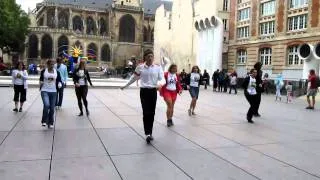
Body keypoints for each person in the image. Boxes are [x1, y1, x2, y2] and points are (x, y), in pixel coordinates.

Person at [121, 49, 165, 144]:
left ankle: (150, 132)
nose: (150, 58)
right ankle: (147, 133)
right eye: (148, 56)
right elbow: (134, 78)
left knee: (152, 112)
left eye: (151, 56)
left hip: (153, 91)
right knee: (146, 112)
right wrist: (126, 85)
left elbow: (162, 79)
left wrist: (160, 84)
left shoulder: (158, 67)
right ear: (145, 57)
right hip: (144, 92)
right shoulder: (140, 67)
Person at [39, 59, 63, 128]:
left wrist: (59, 83)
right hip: (45, 90)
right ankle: (44, 121)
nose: (52, 66)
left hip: (53, 91)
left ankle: (50, 122)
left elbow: (59, 80)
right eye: (51, 64)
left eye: (53, 64)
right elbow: (41, 79)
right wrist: (41, 83)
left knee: (52, 108)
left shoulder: (57, 72)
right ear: (48, 65)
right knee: (46, 105)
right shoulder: (44, 71)